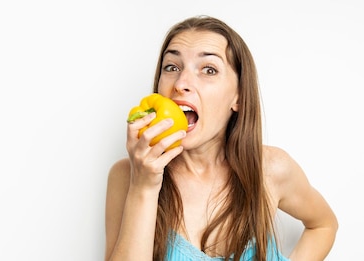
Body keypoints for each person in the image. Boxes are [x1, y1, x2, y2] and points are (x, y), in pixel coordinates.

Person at [104, 15, 338, 261]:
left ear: (238, 97)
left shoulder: (270, 168)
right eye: (172, 67)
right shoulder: (127, 176)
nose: (181, 83)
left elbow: (323, 225)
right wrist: (144, 186)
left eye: (209, 70)